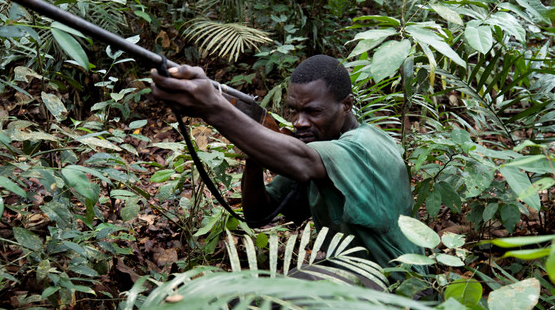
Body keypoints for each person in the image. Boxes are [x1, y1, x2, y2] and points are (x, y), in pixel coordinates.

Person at [150, 55, 423, 285]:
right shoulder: (323, 147)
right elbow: (257, 214)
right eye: (294, 110)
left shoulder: (363, 145)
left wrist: (214, 107)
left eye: (313, 112)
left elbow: (302, 163)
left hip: (401, 284)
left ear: (347, 105)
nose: (299, 122)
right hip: (360, 274)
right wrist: (254, 153)